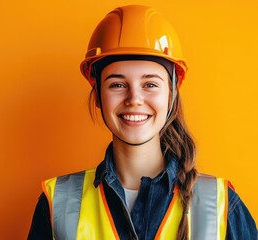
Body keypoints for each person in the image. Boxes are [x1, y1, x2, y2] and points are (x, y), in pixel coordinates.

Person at [28, 5, 257, 240]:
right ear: (97, 94)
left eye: (150, 84)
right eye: (117, 84)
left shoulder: (223, 207)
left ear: (172, 94)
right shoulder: (58, 203)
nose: (134, 100)